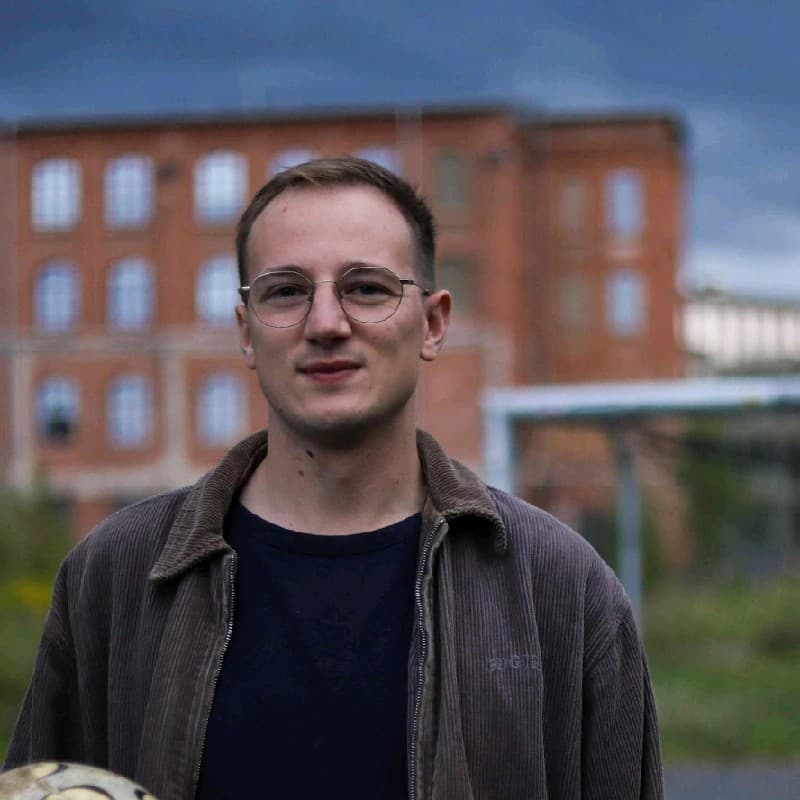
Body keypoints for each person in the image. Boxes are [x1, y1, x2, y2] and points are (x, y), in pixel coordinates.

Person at [4, 157, 663, 799]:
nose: (325, 323)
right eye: (286, 291)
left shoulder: (558, 586)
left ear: (433, 324)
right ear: (246, 332)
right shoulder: (115, 577)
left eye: (366, 288)